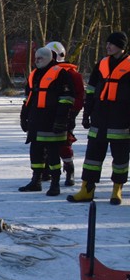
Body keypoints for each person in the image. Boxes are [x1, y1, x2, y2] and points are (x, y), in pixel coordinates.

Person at [69, 31, 129, 205]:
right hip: (100, 117)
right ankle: (87, 189)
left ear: (121, 47)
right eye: (107, 43)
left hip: (121, 119)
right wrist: (87, 114)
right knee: (92, 158)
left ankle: (117, 190)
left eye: (112, 44)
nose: (107, 46)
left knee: (120, 159)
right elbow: (91, 90)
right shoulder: (101, 64)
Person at [18, 46, 75, 196]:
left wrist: (61, 120)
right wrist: (24, 117)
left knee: (53, 154)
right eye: (35, 58)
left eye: (40, 58)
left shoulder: (60, 74)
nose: (36, 61)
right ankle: (36, 180)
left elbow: (67, 99)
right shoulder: (34, 75)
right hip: (36, 120)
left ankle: (55, 184)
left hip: (53, 121)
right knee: (35, 152)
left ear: (49, 58)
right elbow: (27, 98)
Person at [43, 41, 84, 186]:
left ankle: (69, 169)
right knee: (44, 143)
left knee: (64, 143)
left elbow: (79, 96)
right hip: (46, 114)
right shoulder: (43, 72)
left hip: (65, 114)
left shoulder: (72, 74)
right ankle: (46, 170)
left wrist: (71, 112)